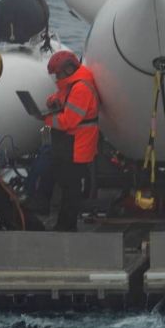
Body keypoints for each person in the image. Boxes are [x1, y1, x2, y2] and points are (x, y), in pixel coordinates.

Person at [42, 50, 100, 231]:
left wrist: (46, 119)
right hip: (71, 144)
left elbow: (69, 121)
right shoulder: (72, 84)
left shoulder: (81, 88)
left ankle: (67, 226)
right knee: (66, 182)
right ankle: (64, 223)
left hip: (78, 145)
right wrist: (51, 101)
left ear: (68, 70)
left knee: (71, 188)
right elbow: (60, 96)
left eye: (58, 73)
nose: (57, 77)